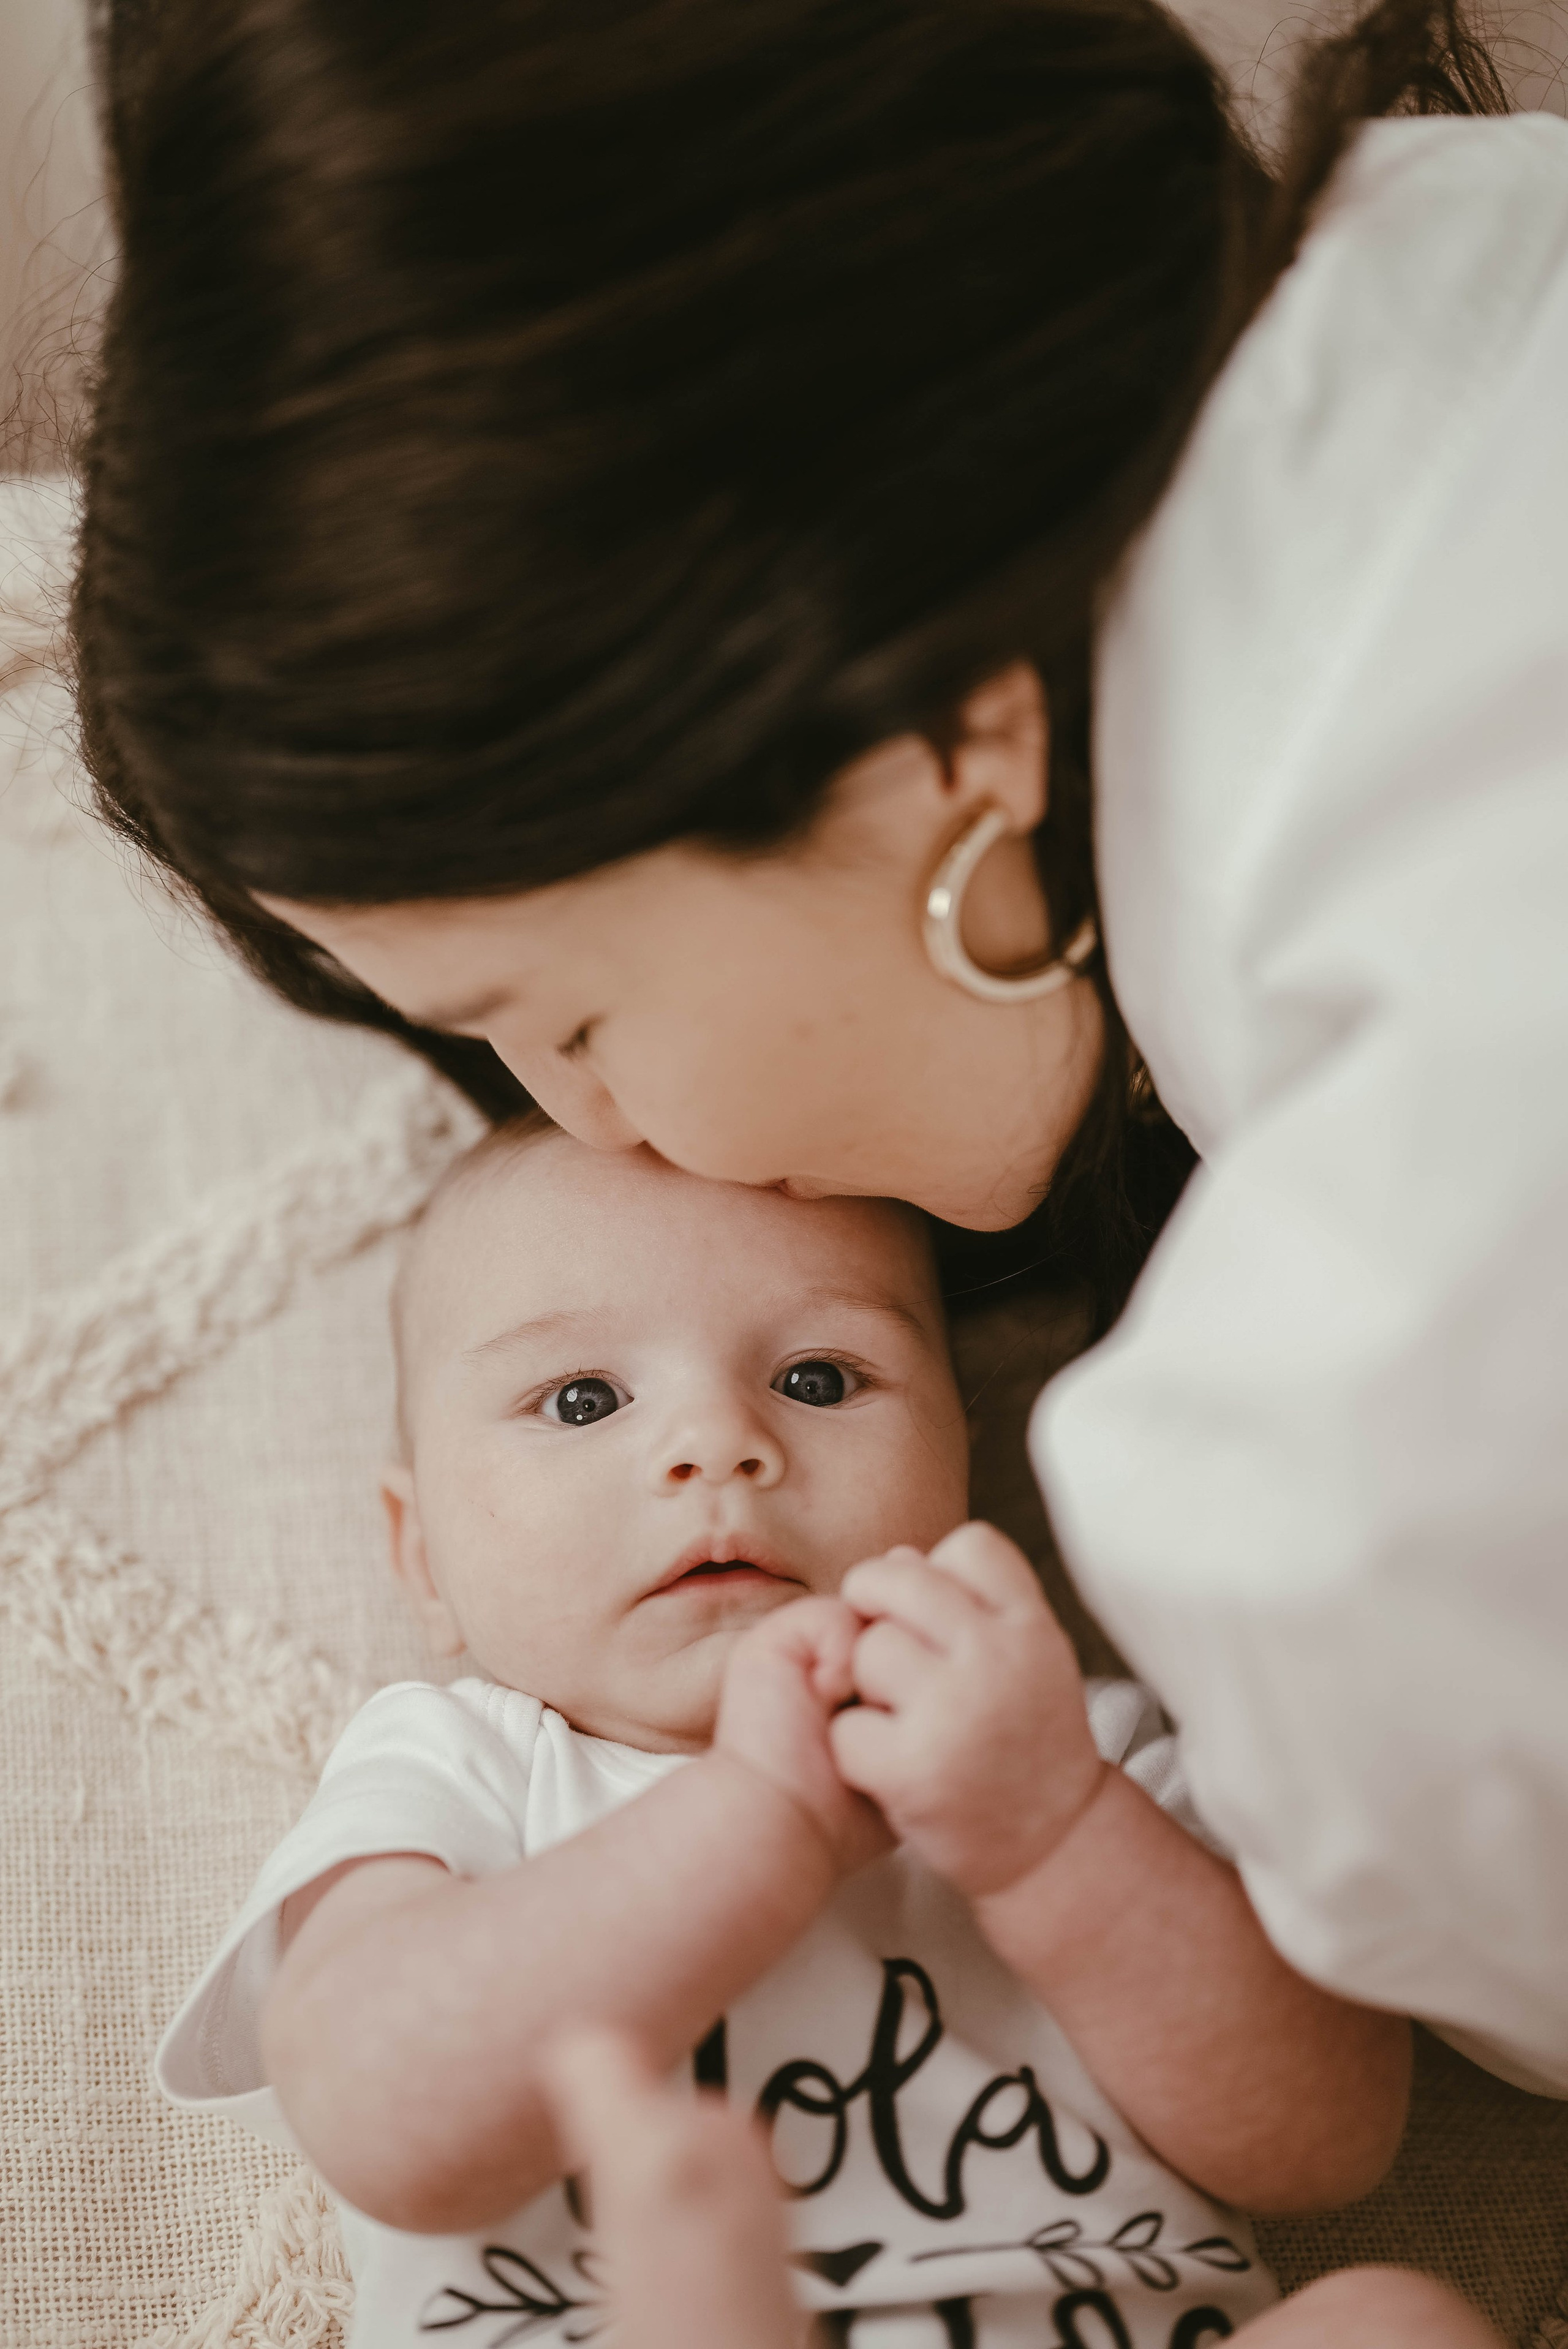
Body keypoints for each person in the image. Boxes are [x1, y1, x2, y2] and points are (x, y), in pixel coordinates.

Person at [74, 0, 1568, 2091]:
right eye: (580, 1391)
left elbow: (1380, 2078)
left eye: (566, 1020)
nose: (596, 1131)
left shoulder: (1332, 1470)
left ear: (929, 737)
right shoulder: (1495, 246)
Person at [158, 1117, 1476, 2347]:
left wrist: (1045, 1838)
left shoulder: (1057, 1747)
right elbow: (379, 2113)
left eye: (815, 1375)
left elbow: (1323, 2143)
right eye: (580, 1399)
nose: (716, 1443)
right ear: (421, 1558)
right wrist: (759, 1824)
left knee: (1396, 2323)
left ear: (964, 1461)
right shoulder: (463, 1766)